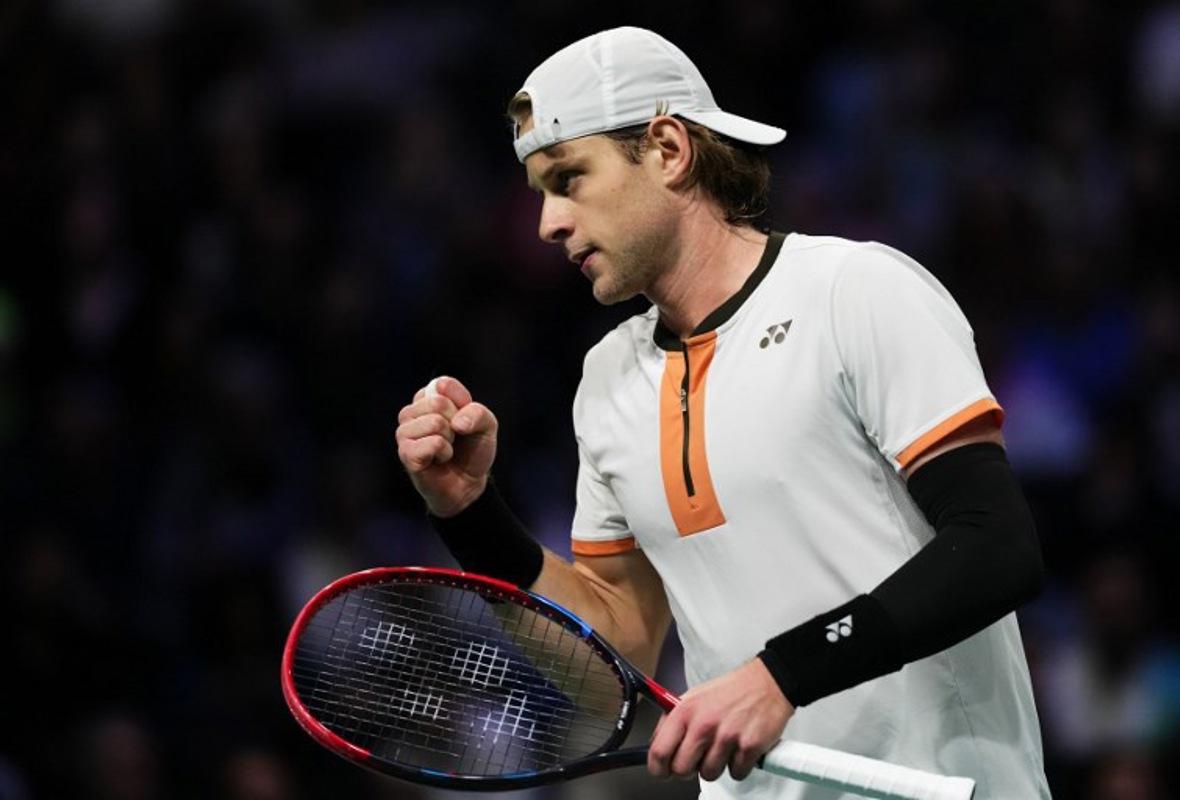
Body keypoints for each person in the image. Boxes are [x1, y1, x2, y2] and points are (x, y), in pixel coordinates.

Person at [395, 26, 1051, 799]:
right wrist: (470, 515)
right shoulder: (606, 380)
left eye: (569, 178)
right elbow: (612, 666)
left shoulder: (855, 291)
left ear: (668, 150)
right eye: (542, 192)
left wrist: (782, 675)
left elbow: (995, 547)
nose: (549, 223)